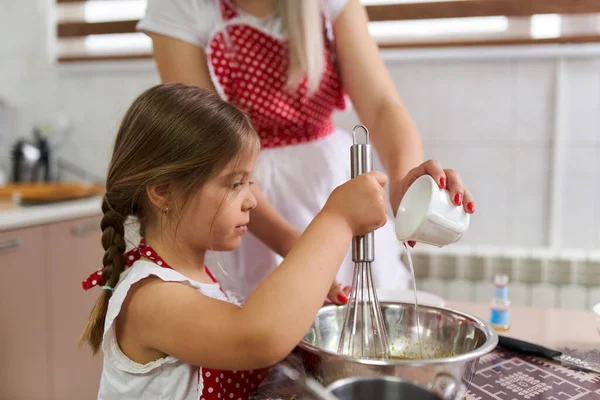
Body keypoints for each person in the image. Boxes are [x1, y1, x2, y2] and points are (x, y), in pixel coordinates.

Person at [81, 83, 474, 400]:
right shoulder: (149, 298)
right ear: (163, 193)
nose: (251, 199)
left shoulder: (190, 278)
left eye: (250, 182)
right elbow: (257, 336)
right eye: (235, 184)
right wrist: (337, 217)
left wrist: (307, 300)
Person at [136, 0, 476, 302]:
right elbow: (209, 147)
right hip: (245, 196)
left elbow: (382, 106)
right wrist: (301, 251)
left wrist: (405, 183)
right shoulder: (180, 6)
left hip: (333, 182)